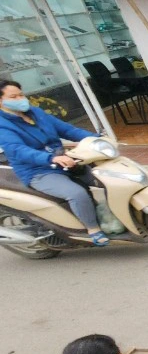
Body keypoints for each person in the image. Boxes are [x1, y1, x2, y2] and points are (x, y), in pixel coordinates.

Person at [0, 80, 105, 245]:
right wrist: (51, 158)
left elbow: (67, 130)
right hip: (38, 171)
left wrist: (96, 139)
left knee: (106, 178)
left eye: (21, 95)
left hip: (64, 161)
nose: (20, 99)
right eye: (13, 97)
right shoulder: (3, 125)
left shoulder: (35, 112)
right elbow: (18, 150)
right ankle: (93, 229)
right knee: (77, 193)